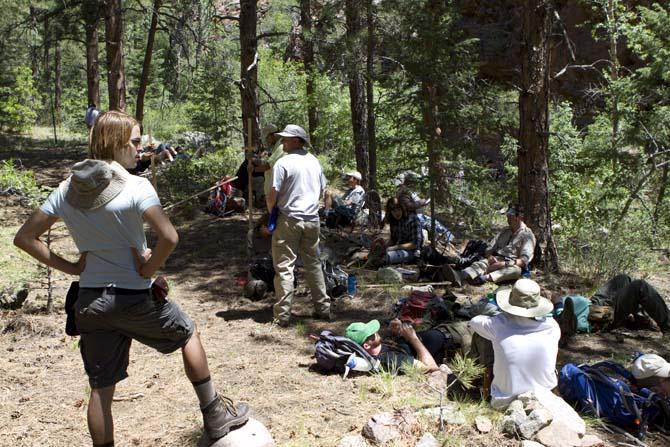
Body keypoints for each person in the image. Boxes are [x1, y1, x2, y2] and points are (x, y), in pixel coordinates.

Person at [13, 111, 249, 446]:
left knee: (100, 390)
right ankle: (214, 416)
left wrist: (74, 268)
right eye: (136, 142)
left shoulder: (67, 190)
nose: (141, 149)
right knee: (188, 335)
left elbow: (24, 238)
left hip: (90, 302)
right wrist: (149, 269)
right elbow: (169, 237)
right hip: (135, 298)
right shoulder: (138, 186)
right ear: (118, 143)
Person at [266, 124, 330, 326]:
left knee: (285, 267)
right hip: (312, 220)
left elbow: (272, 194)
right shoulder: (314, 162)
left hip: (289, 219)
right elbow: (323, 190)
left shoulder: (283, 163)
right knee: (313, 265)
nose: (282, 142)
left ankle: (282, 316)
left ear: (297, 141)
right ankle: (323, 309)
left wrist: (272, 213)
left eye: (286, 138)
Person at [468, 278, 559, 410]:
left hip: (504, 402)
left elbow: (473, 321)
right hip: (545, 398)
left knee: (481, 336)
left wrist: (496, 315)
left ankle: (475, 381)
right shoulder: (552, 326)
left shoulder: (498, 324)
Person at [443, 203, 536, 286]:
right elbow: (490, 248)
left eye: (510, 216)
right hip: (495, 259)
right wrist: (490, 257)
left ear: (518, 217)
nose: (507, 219)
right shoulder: (504, 231)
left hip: (510, 264)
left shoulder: (527, 235)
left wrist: (503, 264)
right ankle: (460, 276)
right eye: (508, 216)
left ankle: (483, 278)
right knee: (480, 264)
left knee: (516, 271)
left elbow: (524, 261)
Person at [346, 319, 445, 373]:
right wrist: (413, 339)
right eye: (372, 333)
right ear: (367, 346)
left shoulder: (378, 346)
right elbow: (430, 368)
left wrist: (396, 333)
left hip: (442, 332)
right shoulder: (391, 360)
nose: (376, 332)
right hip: (451, 342)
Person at [591, 274, 670, 333]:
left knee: (623, 278)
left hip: (593, 304)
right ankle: (668, 326)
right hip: (598, 317)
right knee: (639, 286)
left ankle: (640, 320)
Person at [379, 197, 423, 265]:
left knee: (386, 257)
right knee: (378, 252)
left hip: (413, 252)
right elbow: (393, 239)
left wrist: (394, 248)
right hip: (398, 249)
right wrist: (385, 246)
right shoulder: (393, 221)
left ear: (402, 208)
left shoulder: (413, 219)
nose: (397, 213)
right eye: (393, 211)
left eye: (398, 209)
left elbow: (415, 244)